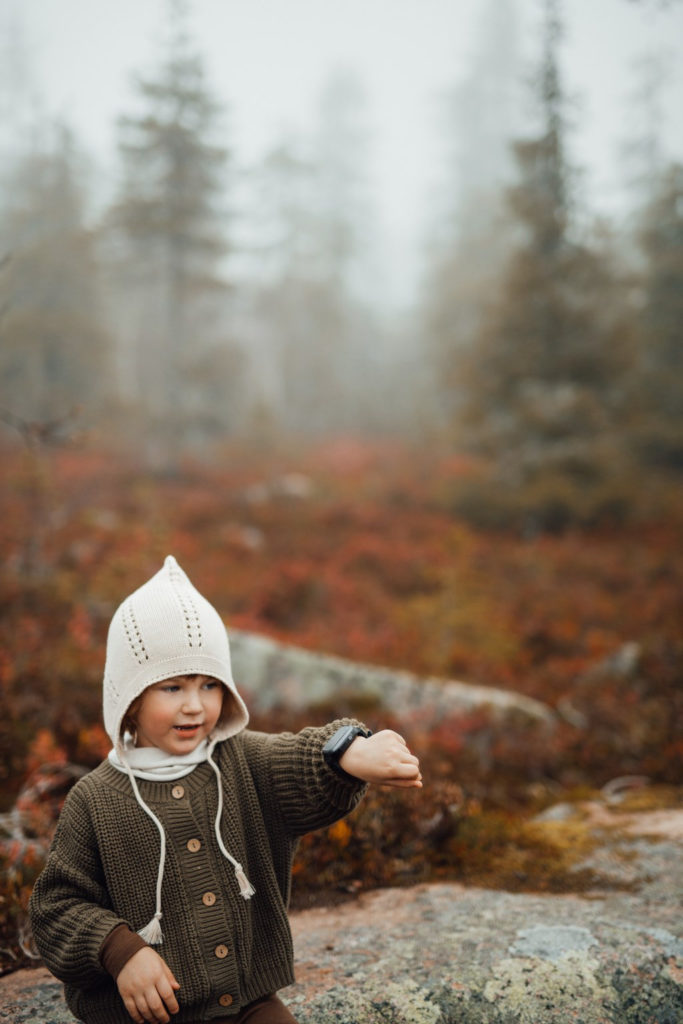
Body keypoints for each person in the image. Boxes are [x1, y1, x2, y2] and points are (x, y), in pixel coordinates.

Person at [29, 555, 422, 1024]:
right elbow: (55, 909)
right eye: (172, 687)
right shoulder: (95, 800)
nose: (195, 705)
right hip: (144, 1017)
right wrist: (120, 952)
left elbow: (303, 758)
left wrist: (351, 753)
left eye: (210, 685)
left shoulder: (240, 760)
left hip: (250, 1003)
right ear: (129, 699)